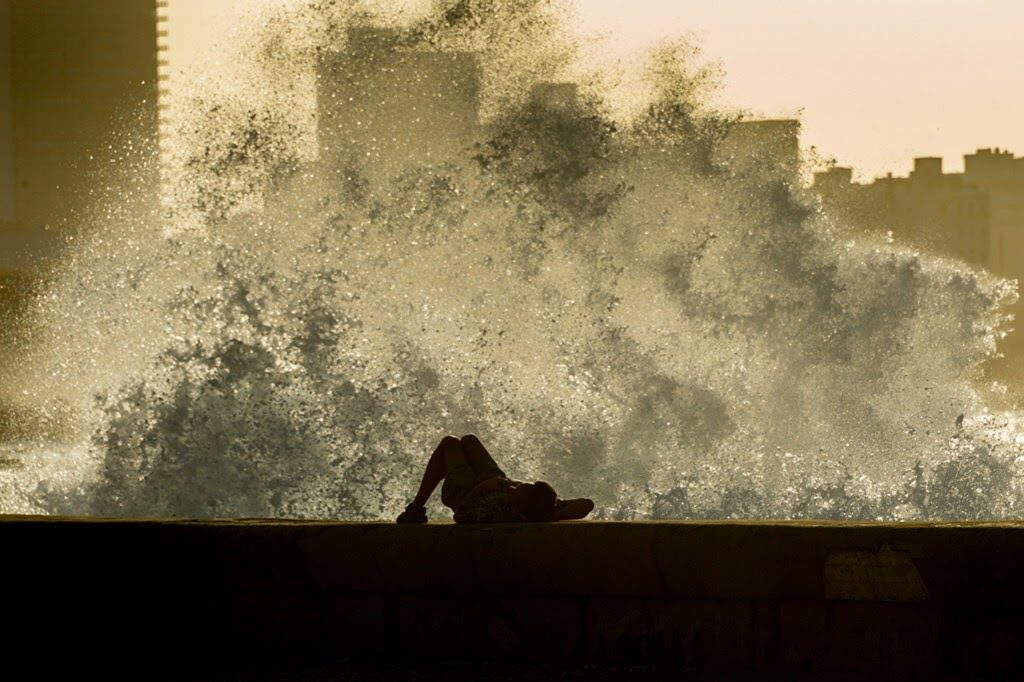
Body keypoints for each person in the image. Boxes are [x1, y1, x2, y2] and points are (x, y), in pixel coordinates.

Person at [396, 434, 595, 524]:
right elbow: (587, 505)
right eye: (522, 487)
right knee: (469, 440)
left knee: (449, 444)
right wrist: (552, 512)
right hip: (494, 479)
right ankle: (415, 508)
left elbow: (461, 516)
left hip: (464, 490)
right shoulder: (538, 506)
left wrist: (482, 488)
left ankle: (416, 509)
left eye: (516, 493)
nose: (515, 488)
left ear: (519, 509)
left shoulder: (495, 513)